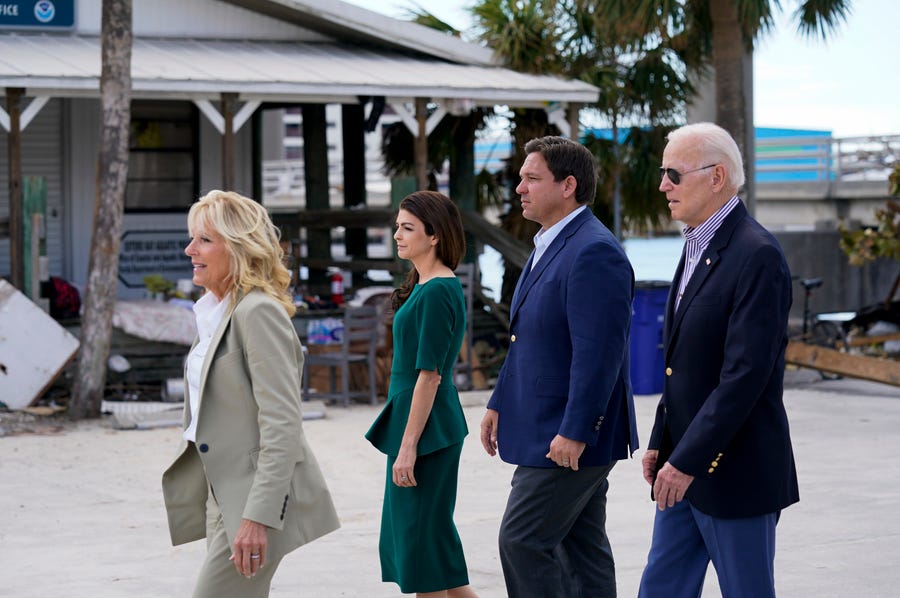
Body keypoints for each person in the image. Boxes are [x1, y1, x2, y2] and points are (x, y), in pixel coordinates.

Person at [638, 122, 799, 598]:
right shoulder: (695, 244)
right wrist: (661, 441)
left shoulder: (758, 255)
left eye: (673, 173)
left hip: (735, 472)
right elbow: (683, 363)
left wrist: (684, 459)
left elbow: (744, 376)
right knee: (660, 590)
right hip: (681, 468)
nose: (662, 184)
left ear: (716, 177)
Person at [480, 136, 638, 597]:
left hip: (568, 433)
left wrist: (576, 430)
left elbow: (599, 353)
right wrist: (498, 402)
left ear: (568, 185)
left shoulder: (594, 251)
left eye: (532, 178)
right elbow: (528, 336)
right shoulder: (549, 242)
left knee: (522, 540)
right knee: (580, 548)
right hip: (544, 423)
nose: (519, 189)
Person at [161, 190, 340, 598]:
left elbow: (282, 426)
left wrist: (258, 517)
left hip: (252, 499)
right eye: (193, 239)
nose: (190, 250)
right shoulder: (213, 313)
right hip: (218, 493)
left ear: (239, 248)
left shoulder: (257, 312)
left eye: (204, 240)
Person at [365, 190, 478, 598]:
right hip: (419, 424)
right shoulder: (426, 284)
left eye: (407, 228)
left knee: (422, 548)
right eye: (397, 226)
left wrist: (409, 446)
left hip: (426, 431)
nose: (397, 234)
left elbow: (428, 376)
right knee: (428, 545)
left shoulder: (436, 290)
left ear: (434, 236)